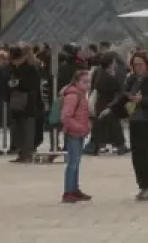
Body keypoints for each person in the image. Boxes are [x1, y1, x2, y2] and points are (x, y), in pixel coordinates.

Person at [117, 51, 148, 201]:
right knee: (136, 155)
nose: (138, 67)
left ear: (147, 64)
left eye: (140, 64)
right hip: (134, 120)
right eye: (135, 65)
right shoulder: (131, 79)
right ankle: (142, 186)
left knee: (144, 153)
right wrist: (114, 108)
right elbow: (123, 96)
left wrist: (143, 100)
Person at [59, 68, 93, 203]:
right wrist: (80, 127)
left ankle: (74, 189)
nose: (88, 85)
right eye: (85, 82)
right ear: (76, 82)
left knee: (76, 162)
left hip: (79, 133)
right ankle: (68, 191)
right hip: (73, 133)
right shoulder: (73, 96)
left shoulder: (81, 95)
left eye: (89, 82)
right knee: (73, 163)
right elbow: (66, 116)